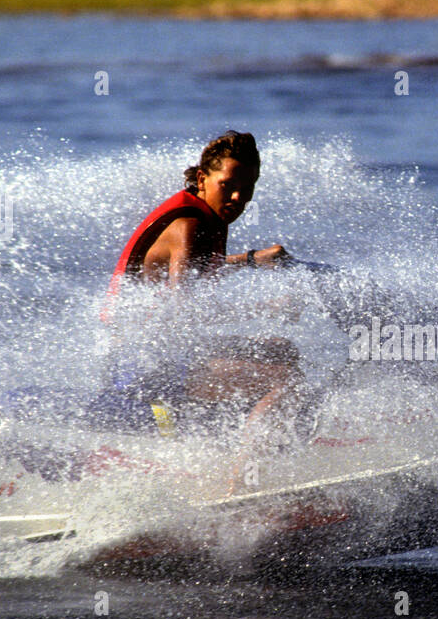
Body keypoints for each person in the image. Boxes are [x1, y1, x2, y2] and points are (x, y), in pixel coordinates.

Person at [104, 131, 307, 492]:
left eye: (247, 189)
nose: (237, 198)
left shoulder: (200, 217)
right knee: (284, 380)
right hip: (144, 365)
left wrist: (250, 260)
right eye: (228, 185)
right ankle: (241, 489)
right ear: (202, 178)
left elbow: (195, 270)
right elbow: (185, 314)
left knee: (284, 351)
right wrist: (265, 307)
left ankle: (247, 447)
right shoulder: (191, 226)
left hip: (148, 353)